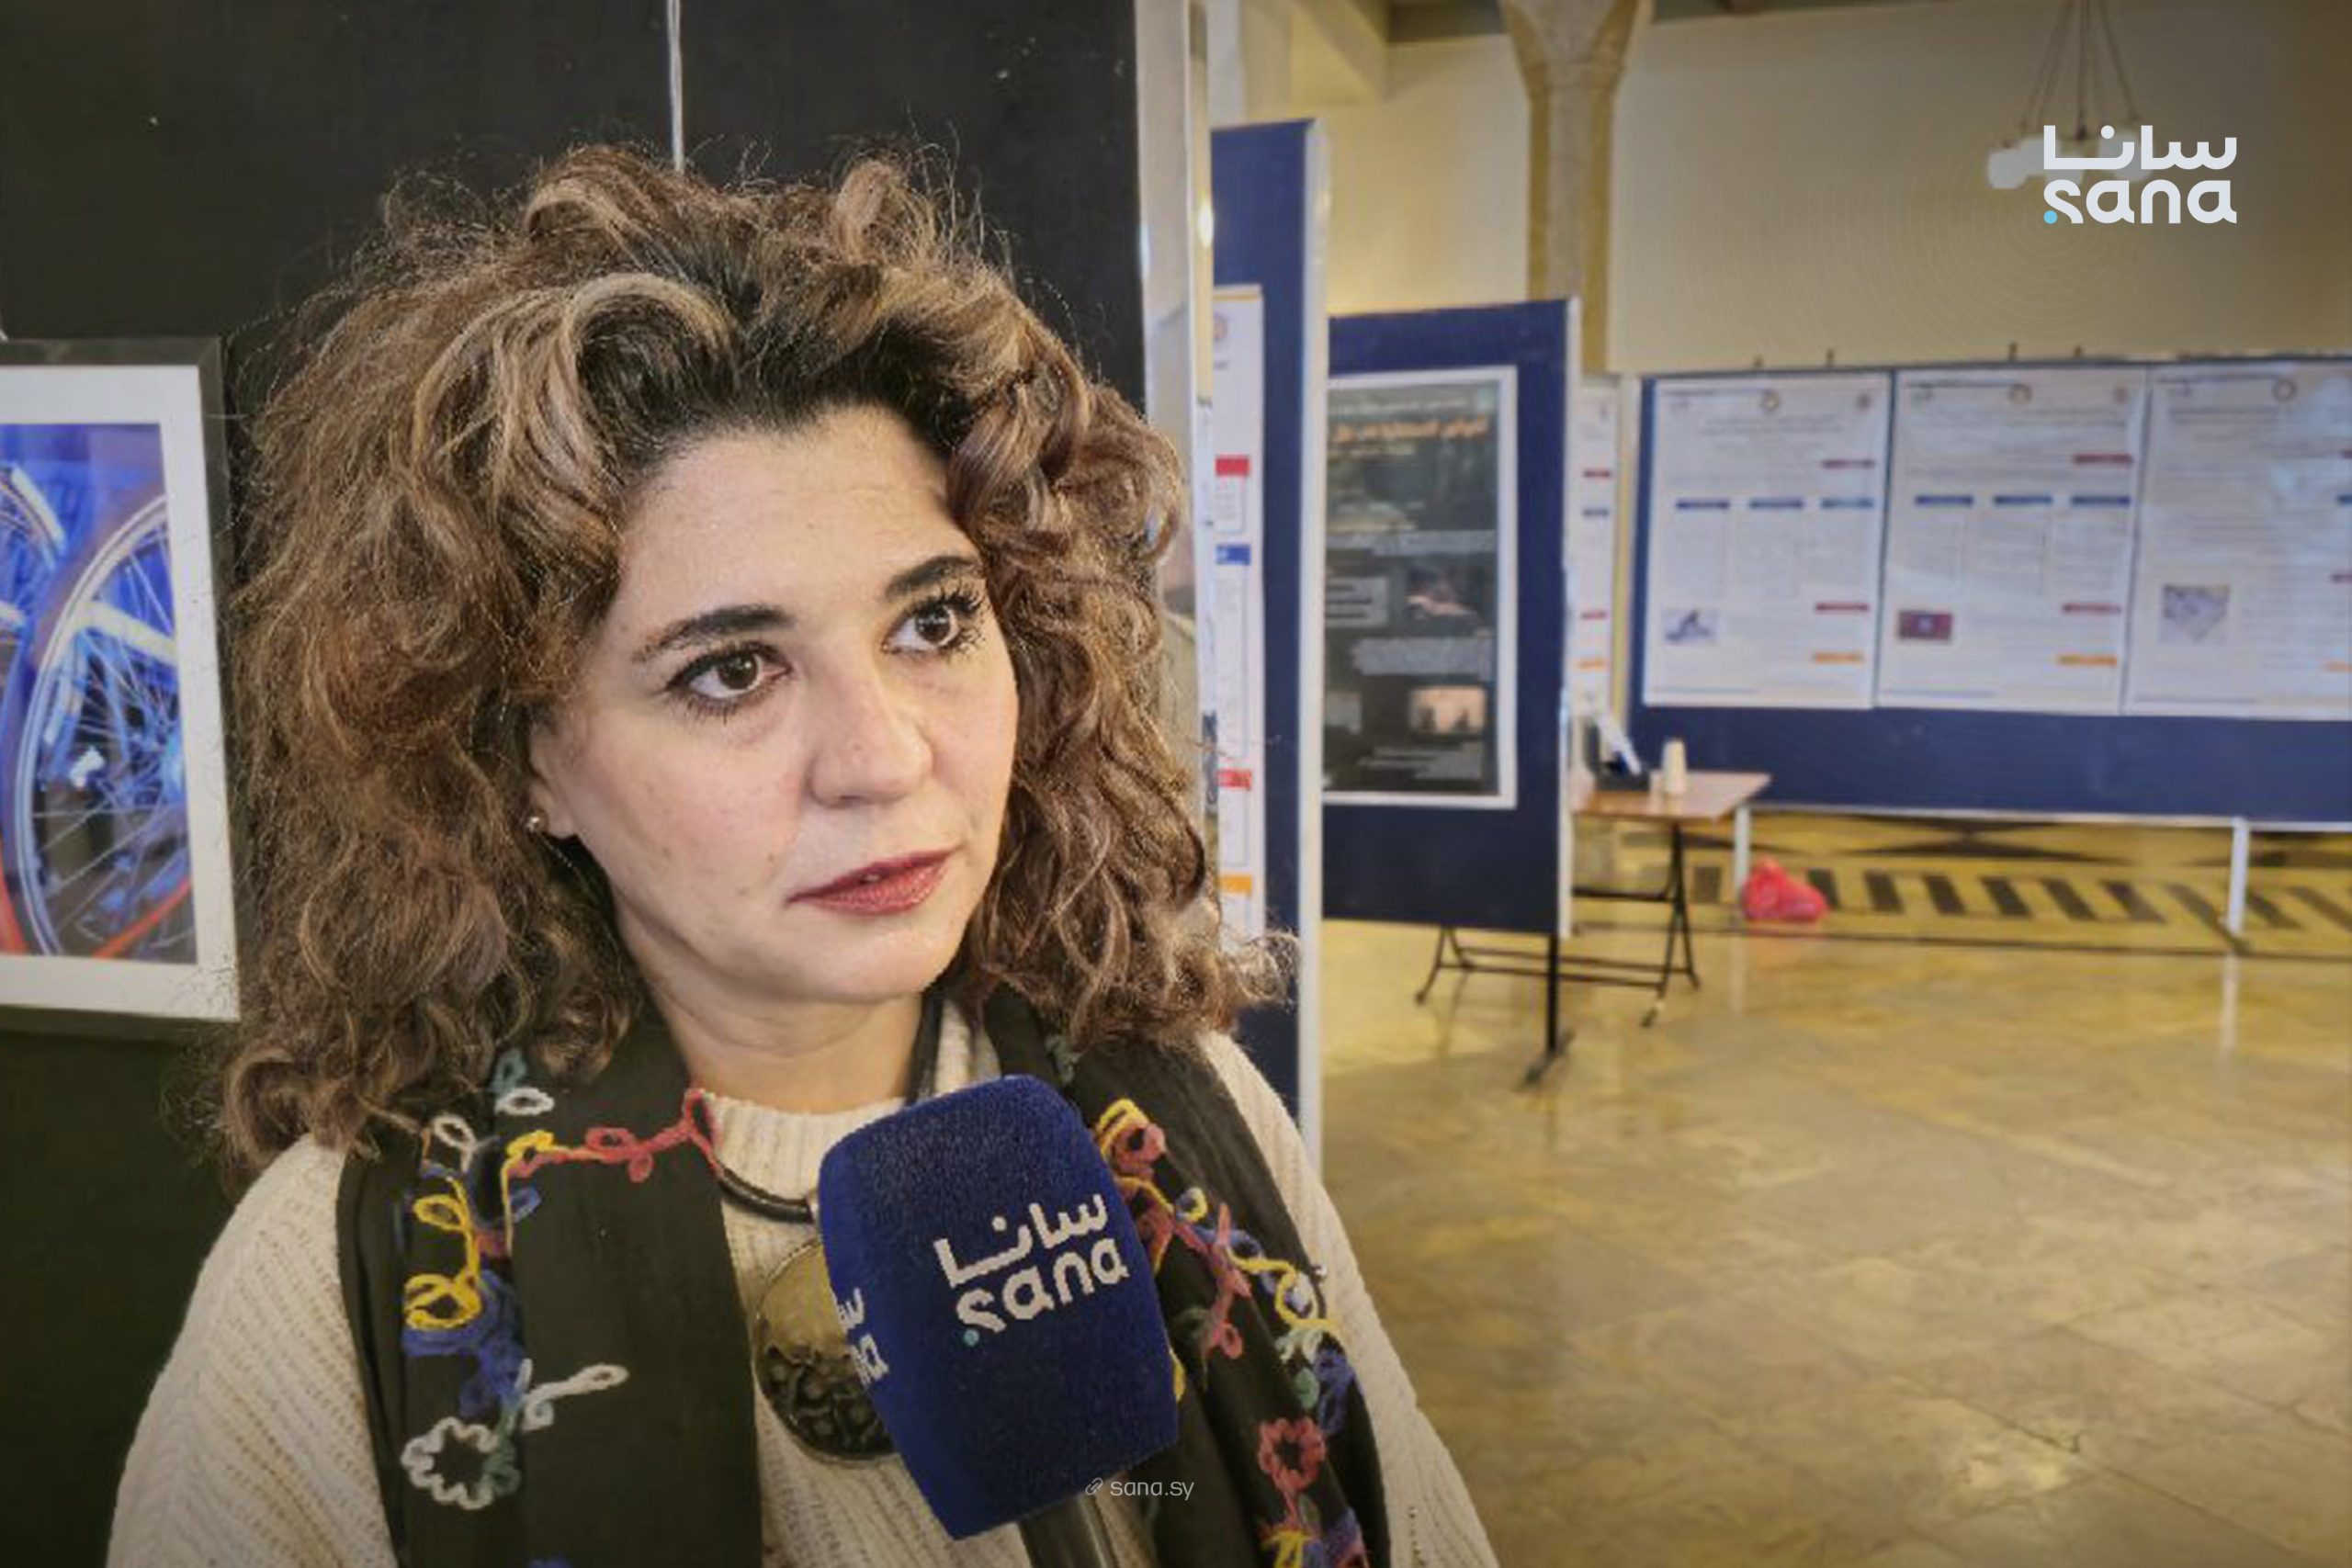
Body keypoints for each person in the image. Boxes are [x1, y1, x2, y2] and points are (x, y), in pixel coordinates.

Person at [108, 147, 1498, 1568]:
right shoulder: (335, 1288)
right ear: (524, 759)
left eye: (934, 623)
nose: (884, 759)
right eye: (729, 672)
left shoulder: (1188, 1109)